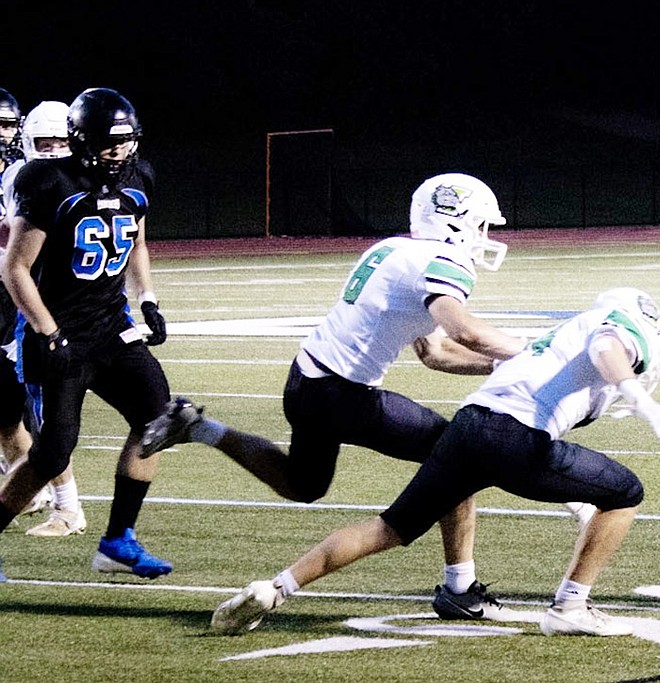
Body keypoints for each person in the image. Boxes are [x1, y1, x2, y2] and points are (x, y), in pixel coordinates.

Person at [141, 173, 527, 617]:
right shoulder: (442, 261)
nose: (484, 236)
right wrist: (536, 352)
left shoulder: (393, 249)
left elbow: (435, 351)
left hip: (307, 381)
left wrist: (501, 364)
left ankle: (200, 427)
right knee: (457, 454)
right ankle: (460, 588)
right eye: (480, 225)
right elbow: (464, 331)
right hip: (343, 394)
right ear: (457, 222)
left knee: (302, 484)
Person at [206, 287, 660, 637]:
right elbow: (607, 349)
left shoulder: (563, 334)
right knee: (624, 492)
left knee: (389, 527)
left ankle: (277, 587)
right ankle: (571, 606)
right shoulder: (620, 329)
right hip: (514, 438)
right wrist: (637, 395)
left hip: (469, 424)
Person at [0, 88, 173, 580]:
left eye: (125, 141)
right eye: (107, 142)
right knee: (53, 450)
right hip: (60, 329)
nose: (118, 152)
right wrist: (48, 334)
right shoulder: (50, 180)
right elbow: (16, 268)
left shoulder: (140, 177)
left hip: (110, 325)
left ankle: (119, 540)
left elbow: (136, 240)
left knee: (157, 418)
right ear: (81, 140)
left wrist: (147, 299)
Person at [0, 100, 87, 537]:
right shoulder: (19, 174)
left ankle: (68, 506)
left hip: (31, 305)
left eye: (6, 125)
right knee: (7, 410)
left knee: (40, 410)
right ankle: (27, 486)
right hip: (22, 299)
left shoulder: (29, 176)